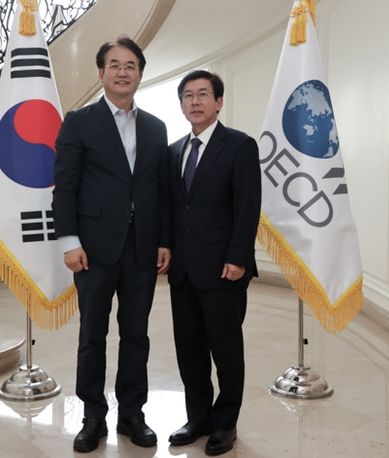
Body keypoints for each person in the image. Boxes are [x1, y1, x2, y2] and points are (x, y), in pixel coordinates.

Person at [53, 36, 170, 453]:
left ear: (140, 73)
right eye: (115, 65)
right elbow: (65, 186)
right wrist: (69, 241)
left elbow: (160, 189)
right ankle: (93, 416)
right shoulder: (79, 121)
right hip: (93, 250)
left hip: (142, 248)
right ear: (101, 73)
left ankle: (132, 414)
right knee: (92, 336)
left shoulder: (156, 127)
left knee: (136, 335)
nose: (123, 72)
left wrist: (164, 240)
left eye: (131, 65)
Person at [166, 70, 261, 456]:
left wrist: (238, 257)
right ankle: (198, 418)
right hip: (183, 271)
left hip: (224, 269)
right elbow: (174, 209)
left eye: (203, 94)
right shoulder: (173, 151)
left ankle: (225, 424)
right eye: (188, 95)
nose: (195, 101)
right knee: (189, 350)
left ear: (219, 102)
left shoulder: (239, 146)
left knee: (226, 351)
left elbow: (248, 206)